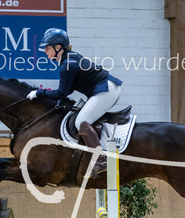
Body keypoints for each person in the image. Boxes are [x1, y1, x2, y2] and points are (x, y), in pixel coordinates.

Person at [27, 28, 122, 177]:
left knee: (81, 122)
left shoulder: (67, 65)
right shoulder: (69, 59)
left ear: (58, 47)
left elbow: (61, 93)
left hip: (106, 90)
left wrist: (39, 93)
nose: (44, 51)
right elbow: (68, 90)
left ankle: (101, 160)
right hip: (108, 88)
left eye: (47, 47)